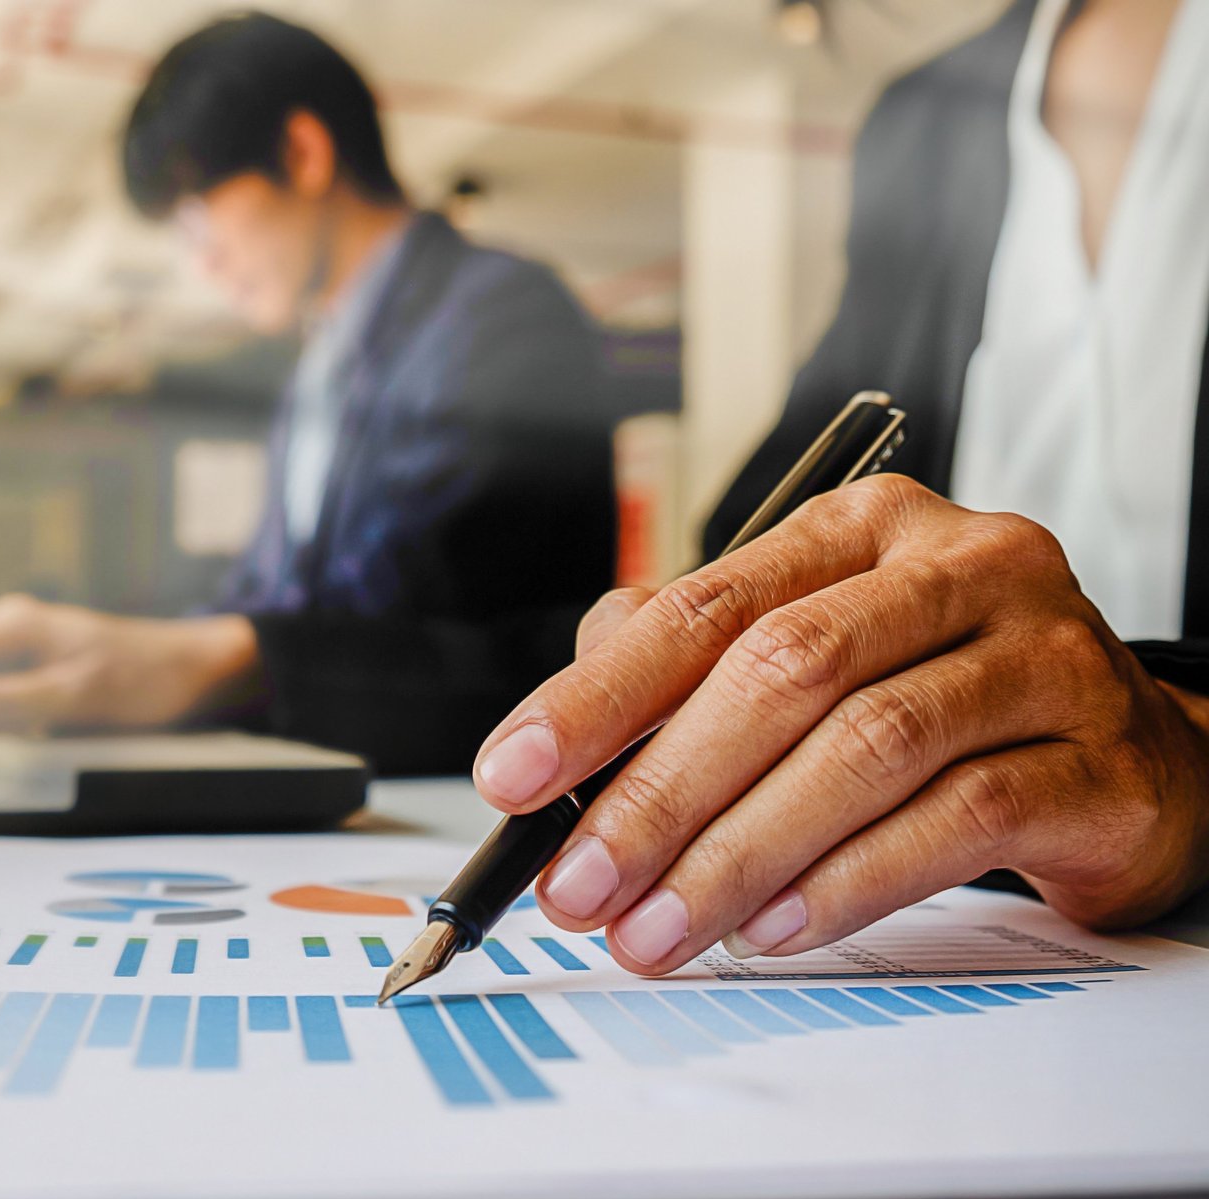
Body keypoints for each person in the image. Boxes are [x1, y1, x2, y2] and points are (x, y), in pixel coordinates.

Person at [475, 0, 1209, 974]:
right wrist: (738, 638)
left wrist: (1187, 749)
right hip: (966, 934)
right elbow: (771, 517)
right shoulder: (921, 119)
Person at [0, 12, 620, 774]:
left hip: (469, 807)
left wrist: (188, 661)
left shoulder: (500, 313)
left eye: (201, 219)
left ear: (303, 154)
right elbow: (274, 597)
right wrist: (126, 653)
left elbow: (437, 626)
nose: (202, 262)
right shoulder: (316, 367)